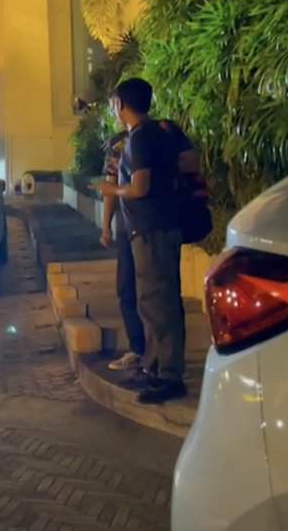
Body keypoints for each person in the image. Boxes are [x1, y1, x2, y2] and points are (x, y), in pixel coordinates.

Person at [98, 78, 187, 404]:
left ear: (121, 104)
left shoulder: (138, 139)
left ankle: (168, 377)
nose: (113, 109)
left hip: (151, 230)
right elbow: (189, 163)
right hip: (161, 226)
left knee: (155, 302)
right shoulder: (161, 133)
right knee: (159, 301)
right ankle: (156, 368)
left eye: (113, 103)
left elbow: (139, 187)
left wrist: (111, 189)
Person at [99, 130, 147, 372]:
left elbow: (110, 187)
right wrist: (106, 226)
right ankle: (144, 351)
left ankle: (144, 351)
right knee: (134, 289)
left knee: (133, 290)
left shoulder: (122, 143)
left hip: (137, 228)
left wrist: (106, 226)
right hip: (143, 227)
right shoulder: (158, 134)